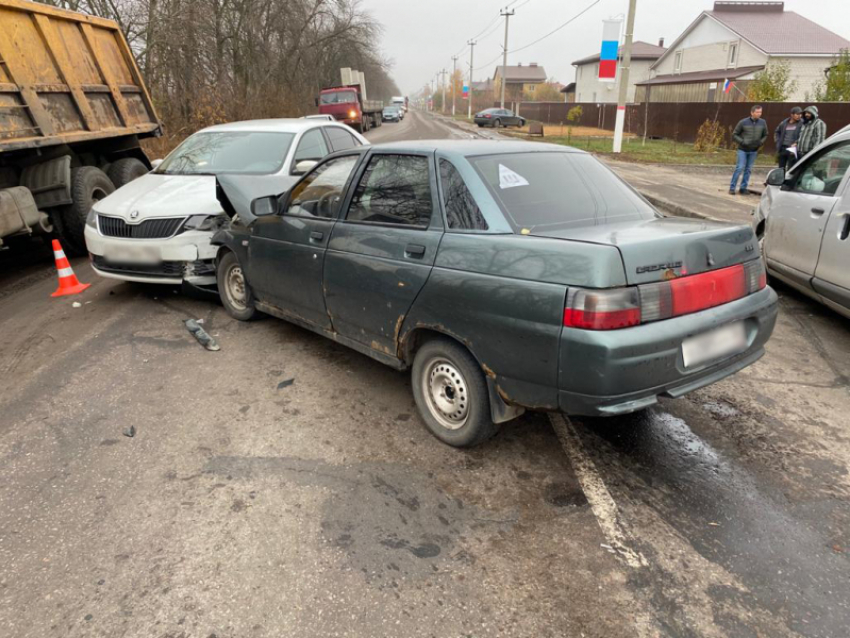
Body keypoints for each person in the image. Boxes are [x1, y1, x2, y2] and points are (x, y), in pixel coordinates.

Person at [730, 104, 768, 195]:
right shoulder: (743, 122)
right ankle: (732, 188)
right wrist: (742, 142)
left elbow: (766, 134)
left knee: (748, 169)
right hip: (743, 149)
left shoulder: (763, 122)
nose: (759, 114)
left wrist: (760, 142)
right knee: (739, 168)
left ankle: (743, 188)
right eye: (757, 112)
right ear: (752, 112)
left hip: (753, 150)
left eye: (760, 112)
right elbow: (734, 134)